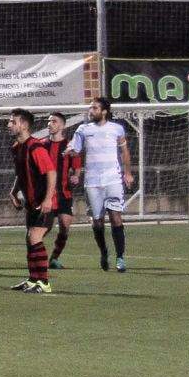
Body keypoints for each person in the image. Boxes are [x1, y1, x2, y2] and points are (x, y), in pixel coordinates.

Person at [69, 97, 134, 272]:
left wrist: (127, 173)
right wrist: (69, 152)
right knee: (97, 222)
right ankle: (104, 251)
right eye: (91, 108)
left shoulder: (117, 129)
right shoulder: (83, 129)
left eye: (95, 108)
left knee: (115, 217)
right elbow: (76, 150)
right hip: (92, 181)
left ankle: (120, 258)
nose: (91, 111)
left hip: (113, 179)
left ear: (104, 111)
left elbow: (124, 151)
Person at [6, 109, 59, 294]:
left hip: (44, 202)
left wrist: (47, 199)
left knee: (34, 236)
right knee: (30, 239)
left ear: (24, 125)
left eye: (12, 121)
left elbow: (51, 173)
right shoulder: (16, 147)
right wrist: (13, 192)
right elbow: (21, 174)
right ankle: (33, 279)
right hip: (31, 203)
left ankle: (44, 282)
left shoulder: (35, 147)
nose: (9, 125)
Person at [43, 111, 80, 268]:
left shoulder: (70, 146)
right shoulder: (42, 145)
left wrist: (75, 177)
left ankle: (54, 258)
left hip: (64, 192)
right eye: (49, 121)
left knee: (65, 226)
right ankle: (33, 251)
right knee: (45, 227)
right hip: (46, 194)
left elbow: (77, 168)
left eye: (54, 121)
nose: (50, 124)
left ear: (63, 125)